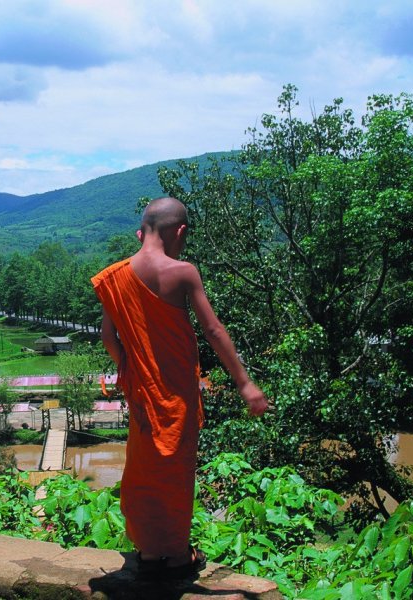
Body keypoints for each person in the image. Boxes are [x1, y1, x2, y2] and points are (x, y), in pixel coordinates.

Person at [91, 196, 268, 577]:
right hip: (176, 395)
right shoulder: (183, 272)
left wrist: (129, 367)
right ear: (180, 231)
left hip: (140, 392)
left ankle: (149, 552)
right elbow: (214, 330)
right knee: (175, 472)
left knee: (143, 469)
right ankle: (175, 556)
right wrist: (245, 384)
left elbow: (108, 334)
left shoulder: (115, 275)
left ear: (144, 229)